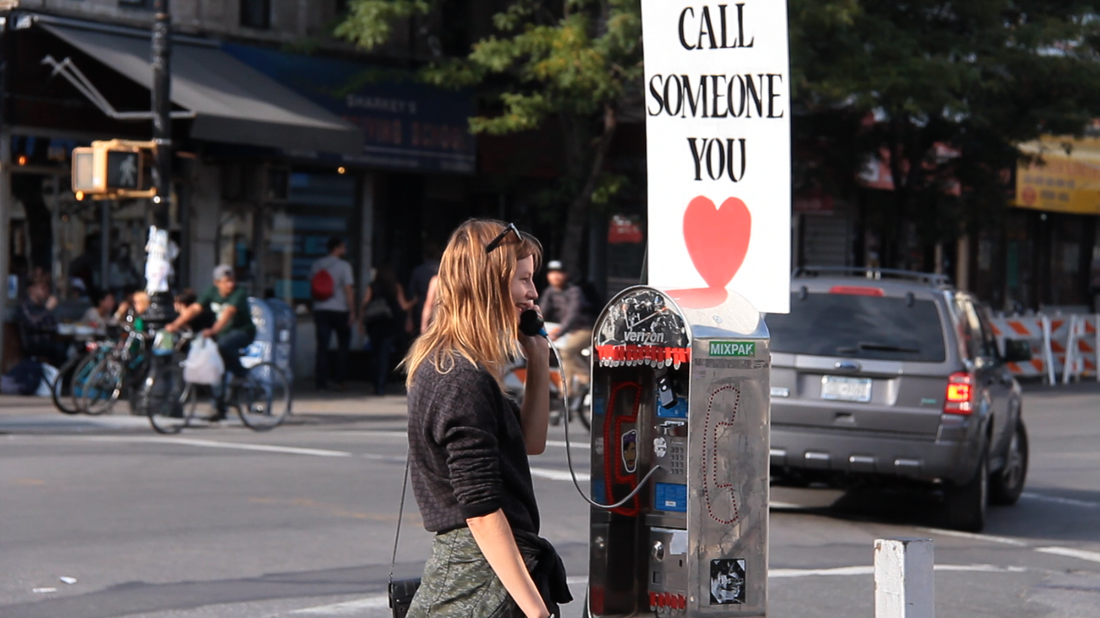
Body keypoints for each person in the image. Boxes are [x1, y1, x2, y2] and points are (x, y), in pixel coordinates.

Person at [402, 219, 571, 618]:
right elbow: (480, 511)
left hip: (489, 571)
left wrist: (539, 359)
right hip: (479, 581)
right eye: (524, 279)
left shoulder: (463, 366)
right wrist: (536, 611)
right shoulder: (459, 376)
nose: (533, 293)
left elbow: (531, 442)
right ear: (488, 283)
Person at [165, 265, 256, 419]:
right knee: (216, 368)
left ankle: (242, 374)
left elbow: (228, 313)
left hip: (243, 332)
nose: (230, 284)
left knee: (224, 346)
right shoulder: (211, 293)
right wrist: (175, 325)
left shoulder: (239, 293)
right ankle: (218, 408)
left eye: (232, 280)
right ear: (217, 282)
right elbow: (194, 309)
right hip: (222, 334)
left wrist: (213, 330)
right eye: (226, 281)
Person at [537, 260, 595, 392]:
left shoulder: (575, 291)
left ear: (566, 275)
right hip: (567, 332)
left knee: (567, 351)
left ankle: (582, 384)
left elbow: (572, 315)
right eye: (552, 273)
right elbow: (542, 312)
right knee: (564, 356)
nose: (555, 276)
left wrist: (558, 333)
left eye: (559, 273)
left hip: (584, 330)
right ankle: (576, 388)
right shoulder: (550, 292)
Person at [359, 264, 414, 395]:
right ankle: (381, 386)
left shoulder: (372, 286)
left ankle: (374, 384)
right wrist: (416, 301)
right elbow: (404, 306)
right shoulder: (396, 286)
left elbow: (365, 303)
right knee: (384, 356)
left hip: (374, 324)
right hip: (390, 325)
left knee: (374, 355)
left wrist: (361, 321)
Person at [310, 237, 356, 391]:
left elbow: (312, 285)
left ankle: (320, 381)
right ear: (336, 248)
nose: (345, 250)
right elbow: (348, 289)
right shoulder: (344, 266)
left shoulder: (317, 264)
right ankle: (339, 378)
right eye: (343, 247)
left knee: (322, 346)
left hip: (321, 308)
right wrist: (352, 311)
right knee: (343, 345)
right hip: (340, 310)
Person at [16, 273, 66, 367]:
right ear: (32, 289)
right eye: (42, 288)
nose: (46, 291)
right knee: (59, 349)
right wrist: (47, 309)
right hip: (33, 345)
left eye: (47, 288)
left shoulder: (41, 306)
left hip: (47, 342)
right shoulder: (24, 306)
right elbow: (32, 324)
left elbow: (52, 325)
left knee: (70, 347)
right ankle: (60, 379)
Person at [407, 242, 441, 337]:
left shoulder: (418, 271)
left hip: (421, 310)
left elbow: (412, 295)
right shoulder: (443, 270)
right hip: (441, 312)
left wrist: (409, 318)